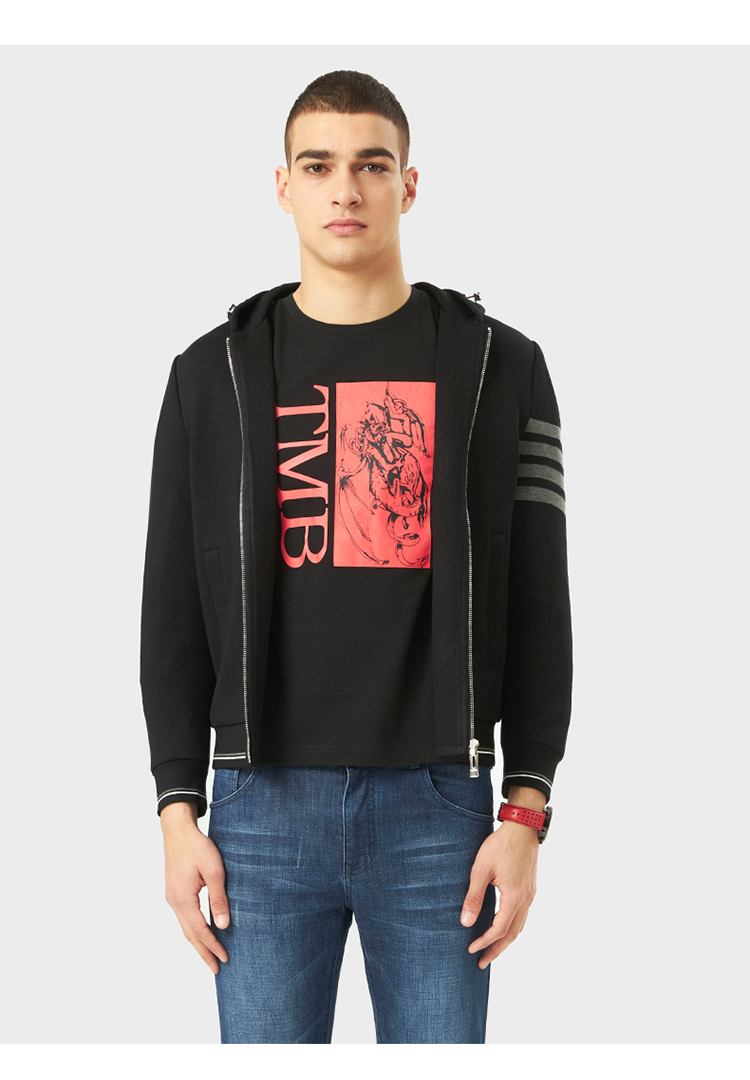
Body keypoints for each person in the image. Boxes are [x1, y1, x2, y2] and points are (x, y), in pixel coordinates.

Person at [140, 69, 573, 1044]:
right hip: (257, 810)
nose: (345, 189)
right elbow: (171, 603)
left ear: (408, 186)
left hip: (439, 809)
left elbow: (540, 600)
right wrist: (176, 809)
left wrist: (526, 811)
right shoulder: (210, 375)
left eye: (372, 165)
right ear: (283, 186)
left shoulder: (502, 367)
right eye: (319, 166)